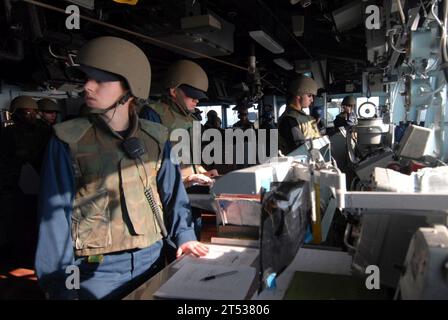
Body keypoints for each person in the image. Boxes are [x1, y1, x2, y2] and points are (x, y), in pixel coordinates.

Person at [35, 37, 208, 300]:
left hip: (153, 259)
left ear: (131, 88)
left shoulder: (156, 138)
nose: (87, 87)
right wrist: (59, 285)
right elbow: (54, 221)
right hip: (97, 271)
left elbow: (173, 195)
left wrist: (184, 235)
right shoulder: (67, 141)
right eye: (87, 78)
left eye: (100, 80)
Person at [0, 96, 49, 266]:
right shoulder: (9, 133)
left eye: (33, 112)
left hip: (37, 181)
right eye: (27, 112)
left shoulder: (44, 131)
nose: (30, 116)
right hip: (15, 183)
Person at [278, 76, 321, 155]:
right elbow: (299, 149)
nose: (312, 99)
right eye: (309, 95)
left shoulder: (304, 117)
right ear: (298, 95)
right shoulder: (289, 119)